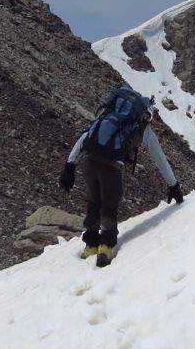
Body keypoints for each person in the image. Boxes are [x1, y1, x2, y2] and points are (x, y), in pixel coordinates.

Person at [61, 85, 183, 266]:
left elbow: (84, 137)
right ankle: (106, 247)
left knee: (93, 201)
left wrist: (69, 166)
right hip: (111, 166)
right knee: (110, 205)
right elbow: (160, 160)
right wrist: (173, 186)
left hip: (88, 159)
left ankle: (90, 245)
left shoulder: (106, 116)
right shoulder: (142, 128)